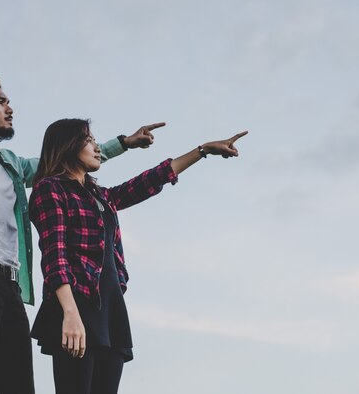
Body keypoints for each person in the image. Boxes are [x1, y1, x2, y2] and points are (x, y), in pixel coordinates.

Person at [0, 72, 166, 394]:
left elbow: (63, 159)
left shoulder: (9, 162)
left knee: (19, 385)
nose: (10, 109)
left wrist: (124, 144)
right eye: (1, 102)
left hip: (9, 284)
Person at [28, 118, 248, 394]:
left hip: (109, 312)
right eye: (89, 140)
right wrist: (70, 314)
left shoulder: (99, 195)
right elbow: (54, 255)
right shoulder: (50, 189)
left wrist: (202, 150)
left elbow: (147, 182)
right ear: (68, 146)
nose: (97, 147)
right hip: (77, 306)